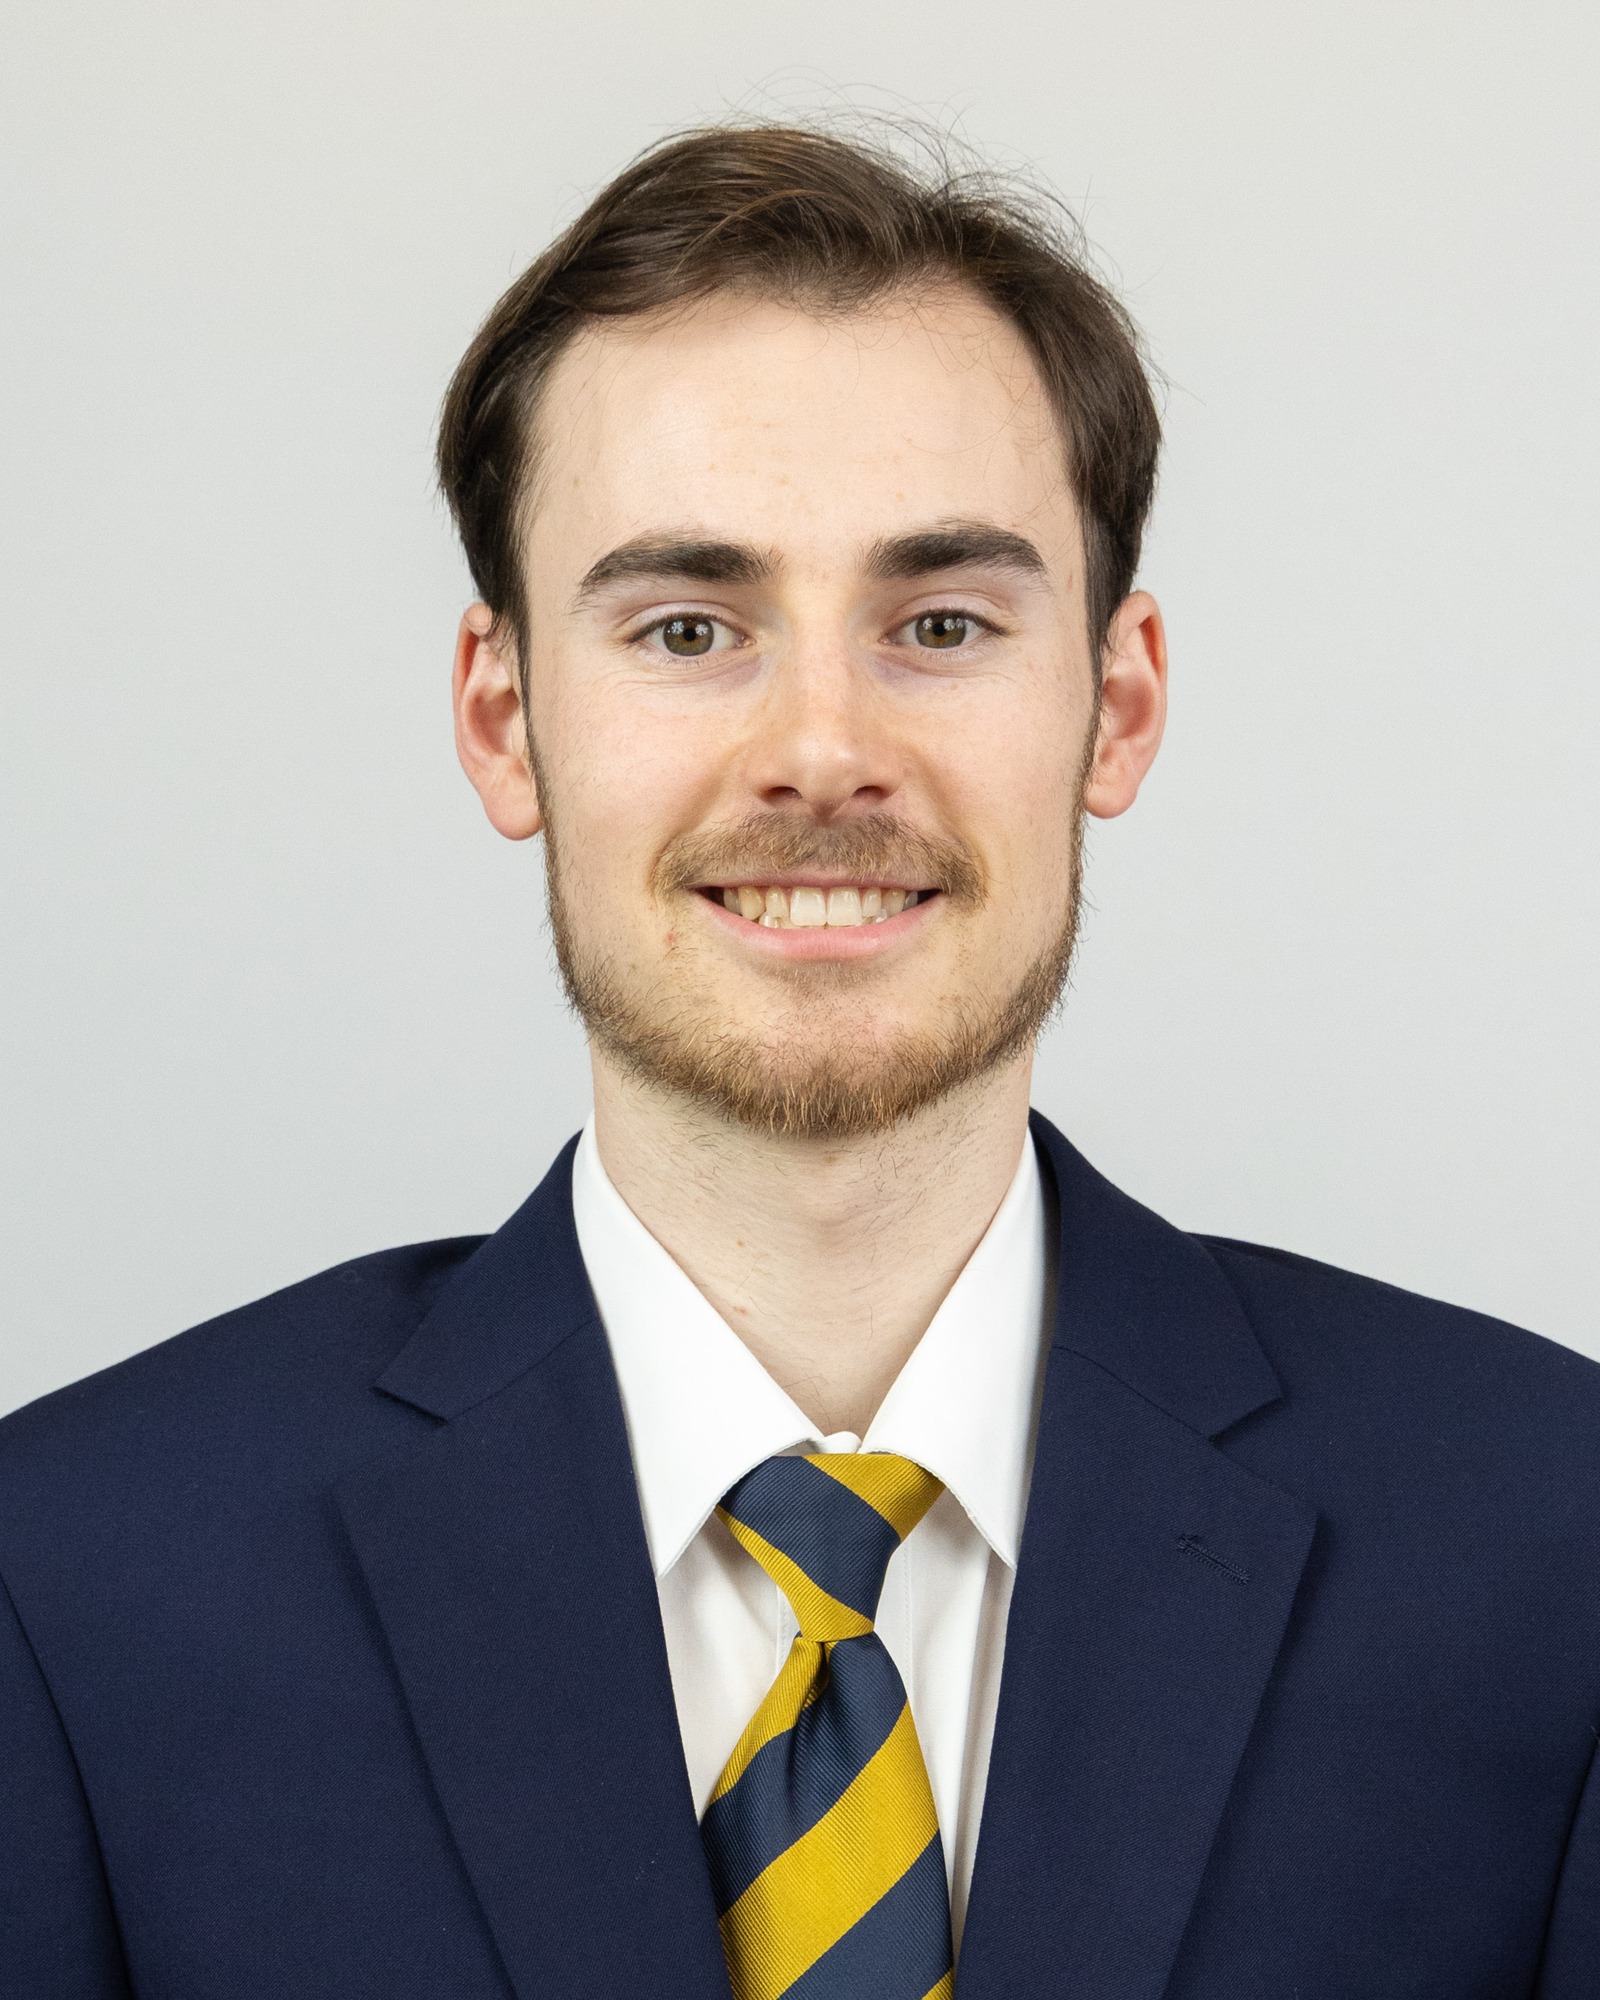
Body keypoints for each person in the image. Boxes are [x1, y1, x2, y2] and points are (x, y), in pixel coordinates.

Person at [1, 121, 1595, 2000]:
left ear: (1120, 703)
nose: (822, 749)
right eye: (689, 627)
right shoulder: (73, 1580)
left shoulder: (1554, 1543)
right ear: (506, 719)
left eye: (940, 623)